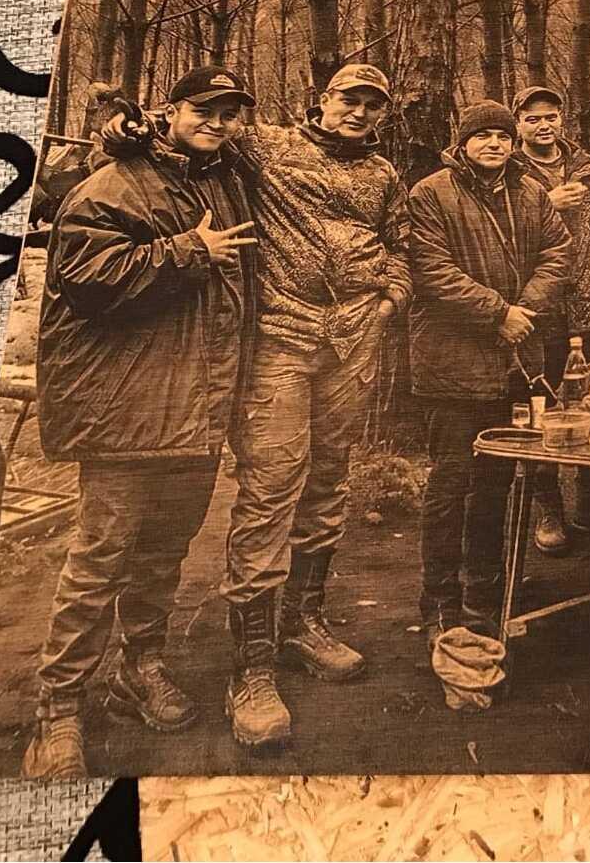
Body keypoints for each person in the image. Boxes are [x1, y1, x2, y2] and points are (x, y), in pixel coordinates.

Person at [101, 63, 412, 752]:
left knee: (329, 482)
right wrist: (120, 129)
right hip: (279, 341)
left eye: (372, 105)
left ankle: (303, 623)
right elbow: (183, 133)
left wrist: (390, 298)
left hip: (354, 342)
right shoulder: (265, 145)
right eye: (349, 99)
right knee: (271, 490)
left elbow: (401, 244)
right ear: (322, 100)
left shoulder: (384, 175)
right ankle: (252, 669)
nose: (359, 112)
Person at [23, 66, 258, 778]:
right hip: (126, 409)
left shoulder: (226, 177)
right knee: (100, 560)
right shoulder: (113, 184)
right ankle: (58, 707)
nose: (217, 122)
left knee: (162, 553)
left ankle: (139, 667)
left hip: (195, 409)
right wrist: (190, 250)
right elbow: (88, 281)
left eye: (231, 113)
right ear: (170, 110)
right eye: (203, 109)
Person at [409, 100, 571, 647]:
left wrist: (525, 310)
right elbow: (431, 271)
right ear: (463, 144)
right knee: (451, 485)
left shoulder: (531, 192)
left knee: (497, 482)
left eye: (502, 136)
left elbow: (558, 253)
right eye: (483, 136)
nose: (495, 144)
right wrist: (497, 314)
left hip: (516, 363)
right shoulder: (431, 194)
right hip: (453, 367)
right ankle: (439, 602)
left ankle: (487, 589)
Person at [512, 85, 590, 551]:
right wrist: (546, 204)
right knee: (542, 408)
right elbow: (498, 233)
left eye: (551, 116)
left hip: (589, 307)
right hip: (538, 309)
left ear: (562, 119)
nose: (544, 125)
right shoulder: (509, 171)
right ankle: (548, 507)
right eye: (533, 118)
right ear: (519, 124)